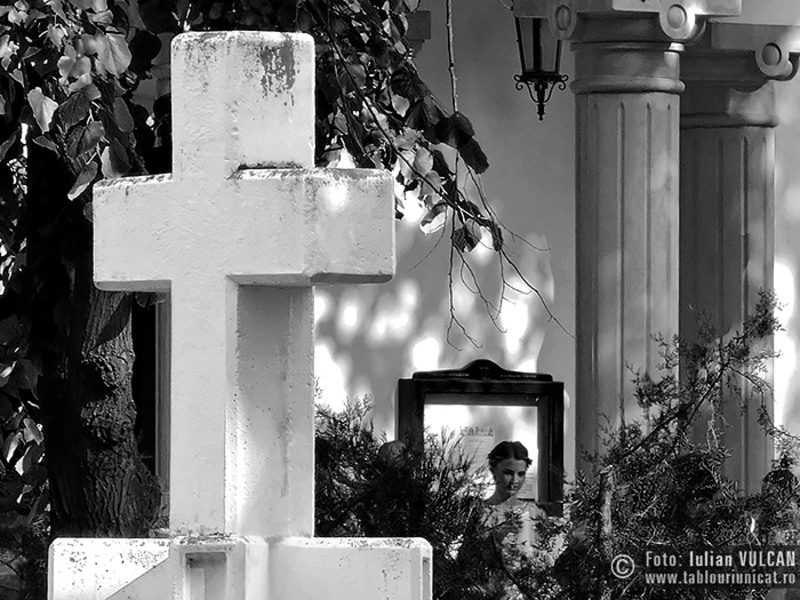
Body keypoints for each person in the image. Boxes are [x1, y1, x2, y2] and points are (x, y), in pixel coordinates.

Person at [484, 441, 546, 560]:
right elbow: (467, 558)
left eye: (521, 474)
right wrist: (497, 537)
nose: (515, 480)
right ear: (493, 471)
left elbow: (545, 554)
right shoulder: (479, 512)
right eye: (508, 473)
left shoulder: (535, 513)